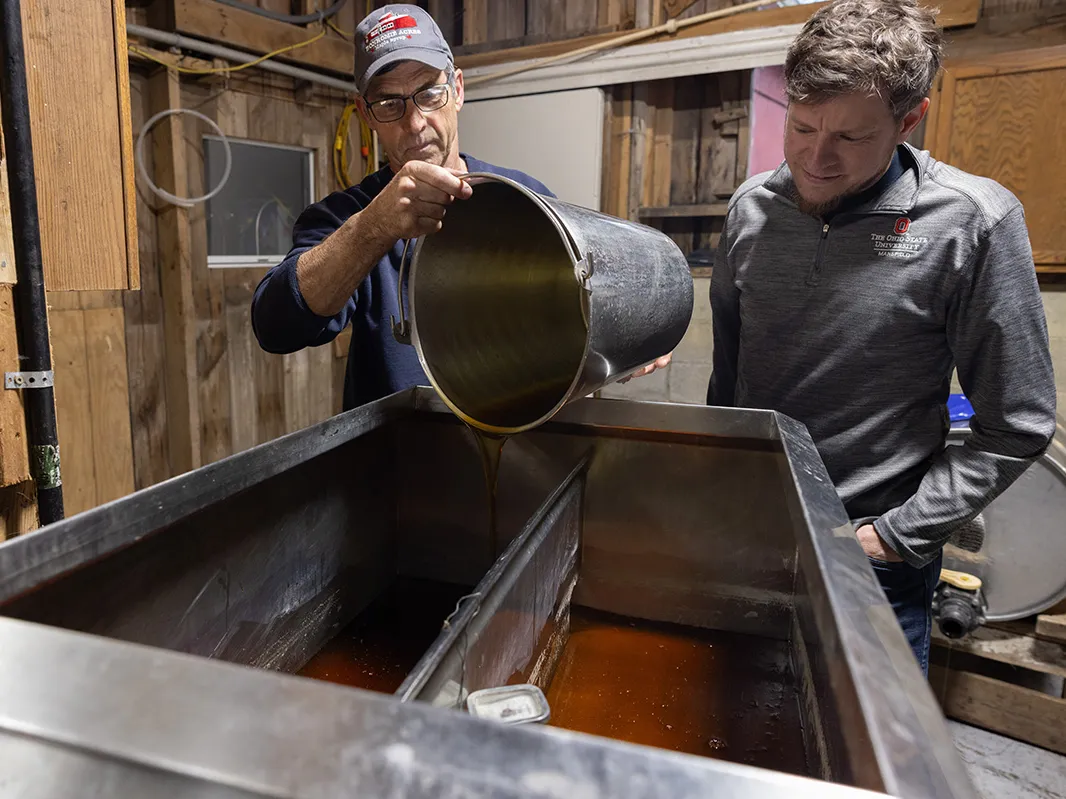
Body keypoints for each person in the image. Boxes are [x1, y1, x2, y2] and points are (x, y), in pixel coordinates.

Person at [707, 0, 1056, 673]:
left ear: (909, 119)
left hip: (873, 559)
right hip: (753, 531)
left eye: (851, 137)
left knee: (870, 765)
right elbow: (729, 381)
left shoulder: (971, 224)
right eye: (802, 126)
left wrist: (896, 537)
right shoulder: (751, 209)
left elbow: (1018, 421)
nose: (816, 157)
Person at [250, 5, 556, 411]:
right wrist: (374, 227)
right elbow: (276, 327)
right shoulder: (347, 216)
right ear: (366, 114)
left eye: (429, 92)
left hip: (516, 447)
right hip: (394, 465)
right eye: (390, 103)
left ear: (458, 90)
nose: (414, 123)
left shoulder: (524, 199)